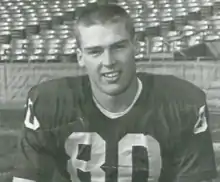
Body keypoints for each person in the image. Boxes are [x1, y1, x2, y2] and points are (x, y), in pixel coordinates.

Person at [12, 4, 217, 182]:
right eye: (95, 51)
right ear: (80, 57)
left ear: (135, 47)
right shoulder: (49, 103)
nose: (108, 62)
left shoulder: (182, 103)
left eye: (118, 47)